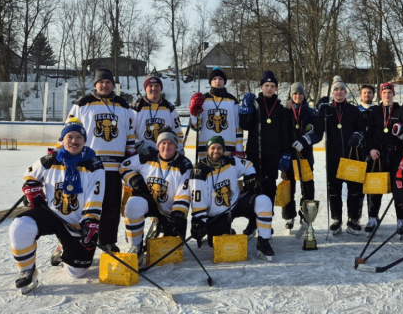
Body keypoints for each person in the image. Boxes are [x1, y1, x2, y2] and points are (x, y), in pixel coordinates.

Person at [9, 119, 105, 293]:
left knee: (77, 273)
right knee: (20, 226)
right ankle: (27, 270)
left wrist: (90, 222)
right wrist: (32, 190)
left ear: (84, 140)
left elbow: (94, 198)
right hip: (52, 214)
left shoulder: (94, 164)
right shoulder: (49, 160)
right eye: (69, 137)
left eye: (78, 137)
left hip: (76, 223)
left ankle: (63, 247)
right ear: (62, 139)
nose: (74, 141)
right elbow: (30, 176)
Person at [66, 68, 136, 252]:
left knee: (111, 207)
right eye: (101, 82)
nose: (104, 85)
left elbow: (130, 134)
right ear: (95, 84)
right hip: (89, 167)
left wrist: (129, 158)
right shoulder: (82, 103)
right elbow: (69, 132)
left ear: (113, 84)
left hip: (114, 167)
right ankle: (71, 241)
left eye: (108, 82)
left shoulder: (123, 105)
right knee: (82, 206)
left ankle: (108, 241)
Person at [189, 136, 275, 261]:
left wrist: (251, 177)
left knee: (264, 201)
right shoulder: (199, 170)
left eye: (219, 148)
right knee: (216, 242)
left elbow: (248, 165)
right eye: (213, 148)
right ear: (207, 150)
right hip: (217, 214)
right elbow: (198, 200)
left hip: (236, 204)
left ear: (223, 150)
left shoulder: (231, 161)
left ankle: (263, 242)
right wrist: (199, 220)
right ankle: (227, 229)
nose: (216, 151)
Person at [118, 127, 192, 260]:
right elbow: (124, 166)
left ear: (176, 146)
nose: (166, 146)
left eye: (170, 143)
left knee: (172, 249)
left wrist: (178, 215)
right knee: (133, 204)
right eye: (163, 143)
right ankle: (136, 247)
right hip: (150, 202)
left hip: (170, 211)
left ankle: (161, 224)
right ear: (158, 145)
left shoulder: (184, 165)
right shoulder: (146, 157)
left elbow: (184, 193)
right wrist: (133, 179)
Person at [315, 76, 367, 234]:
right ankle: (337, 219)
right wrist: (318, 112)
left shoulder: (353, 110)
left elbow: (363, 127)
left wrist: (359, 135)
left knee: (354, 190)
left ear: (346, 92)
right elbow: (318, 132)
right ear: (332, 93)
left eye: (341, 89)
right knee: (334, 190)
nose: (339, 92)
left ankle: (353, 219)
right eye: (336, 90)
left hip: (352, 156)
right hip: (333, 157)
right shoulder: (327, 110)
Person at [238, 71, 292, 209]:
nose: (269, 88)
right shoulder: (254, 105)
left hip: (273, 156)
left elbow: (285, 134)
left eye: (272, 85)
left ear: (276, 88)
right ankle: (252, 220)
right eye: (266, 85)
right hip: (254, 154)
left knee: (269, 188)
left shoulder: (280, 109)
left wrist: (286, 153)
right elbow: (245, 125)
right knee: (252, 186)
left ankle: (267, 219)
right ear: (261, 87)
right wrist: (245, 109)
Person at [365, 82, 403, 235]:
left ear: (393, 94)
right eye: (384, 93)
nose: (387, 95)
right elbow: (369, 134)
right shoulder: (375, 112)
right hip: (378, 155)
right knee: (375, 188)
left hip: (397, 154)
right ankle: (372, 217)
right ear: (381, 94)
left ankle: (400, 220)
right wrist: (371, 149)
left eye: (389, 93)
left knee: (398, 188)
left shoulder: (401, 111)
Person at [283, 82, 322, 230]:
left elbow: (317, 134)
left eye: (300, 93)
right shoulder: (285, 111)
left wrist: (306, 141)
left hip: (305, 156)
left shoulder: (310, 113)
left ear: (304, 95)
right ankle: (289, 216)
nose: (298, 96)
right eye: (295, 94)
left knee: (307, 187)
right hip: (288, 156)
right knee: (288, 186)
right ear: (291, 96)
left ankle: (306, 216)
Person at [188, 67, 244, 161]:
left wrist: (239, 149)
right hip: (206, 148)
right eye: (214, 79)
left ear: (224, 81)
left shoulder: (232, 100)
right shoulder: (202, 99)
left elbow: (238, 126)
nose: (217, 81)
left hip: (228, 148)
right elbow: (196, 126)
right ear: (210, 81)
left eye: (220, 79)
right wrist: (193, 113)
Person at [132, 74, 184, 153]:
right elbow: (128, 132)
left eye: (157, 85)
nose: (154, 88)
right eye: (150, 85)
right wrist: (138, 144)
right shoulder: (136, 107)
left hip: (164, 156)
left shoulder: (169, 108)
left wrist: (179, 149)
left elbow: (178, 133)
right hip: (142, 155)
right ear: (145, 88)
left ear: (161, 88)